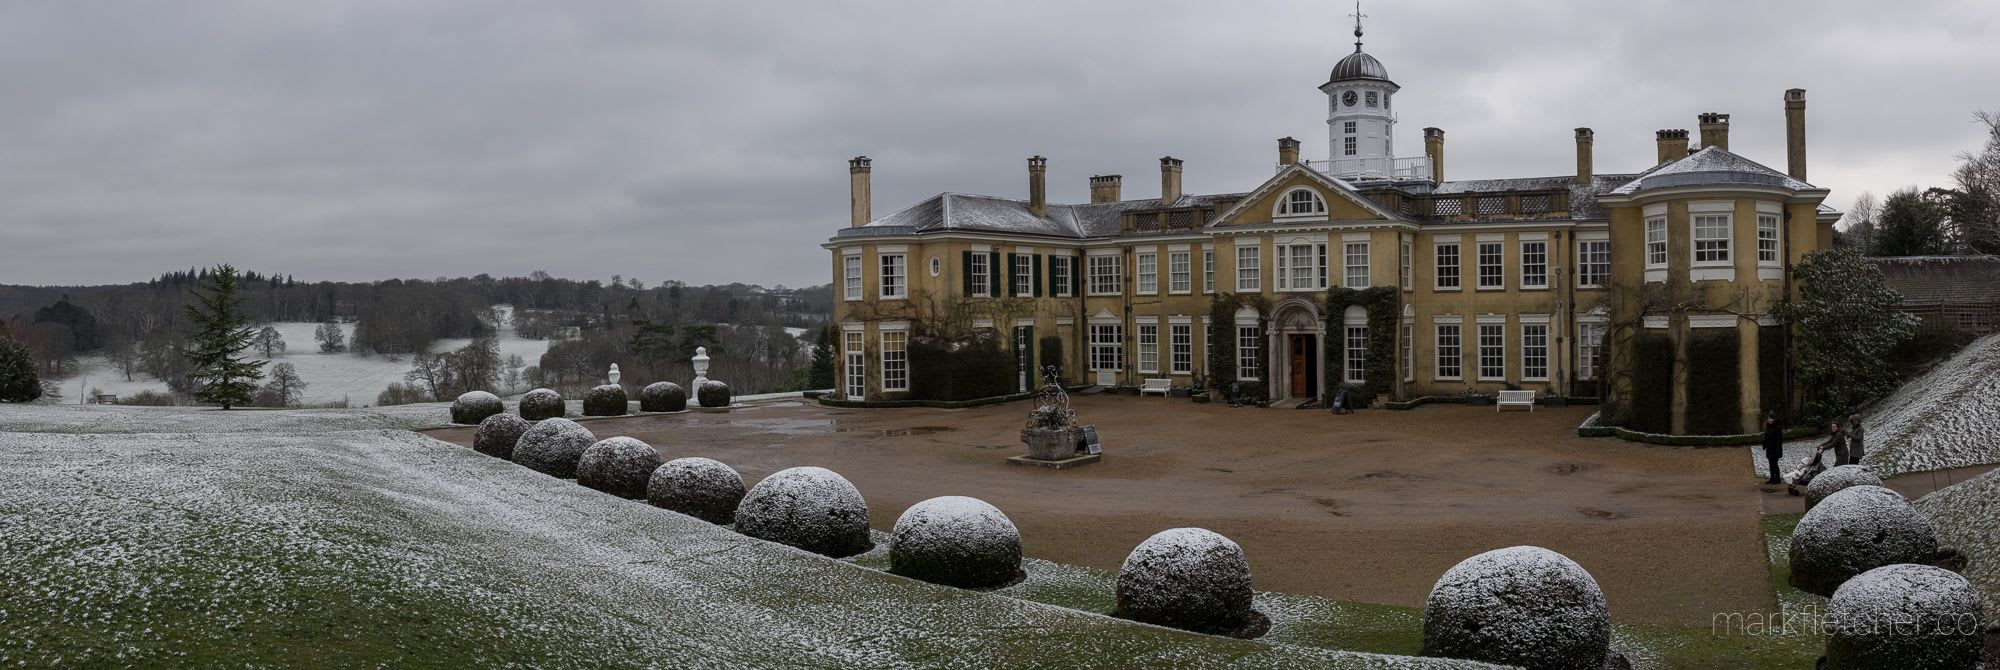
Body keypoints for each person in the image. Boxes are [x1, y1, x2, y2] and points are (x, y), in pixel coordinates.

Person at [1761, 411, 1785, 485]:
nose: (1770, 420)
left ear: (1774, 419)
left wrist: (1778, 450)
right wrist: (1764, 444)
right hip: (1769, 448)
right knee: (1771, 464)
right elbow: (1766, 437)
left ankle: (1777, 479)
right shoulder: (1767, 426)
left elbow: (1779, 440)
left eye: (1771, 418)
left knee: (1775, 464)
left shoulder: (1777, 427)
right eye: (1769, 418)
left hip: (1775, 449)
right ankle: (1772, 478)